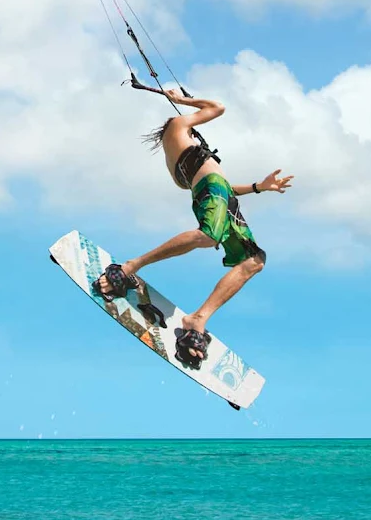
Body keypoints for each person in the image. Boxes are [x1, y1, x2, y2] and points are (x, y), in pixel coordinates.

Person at [94, 89, 293, 369]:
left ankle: (198, 319)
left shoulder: (187, 158)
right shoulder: (177, 126)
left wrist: (260, 187)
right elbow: (218, 106)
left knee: (254, 261)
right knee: (208, 234)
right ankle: (130, 266)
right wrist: (183, 101)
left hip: (221, 194)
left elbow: (222, 186)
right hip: (214, 192)